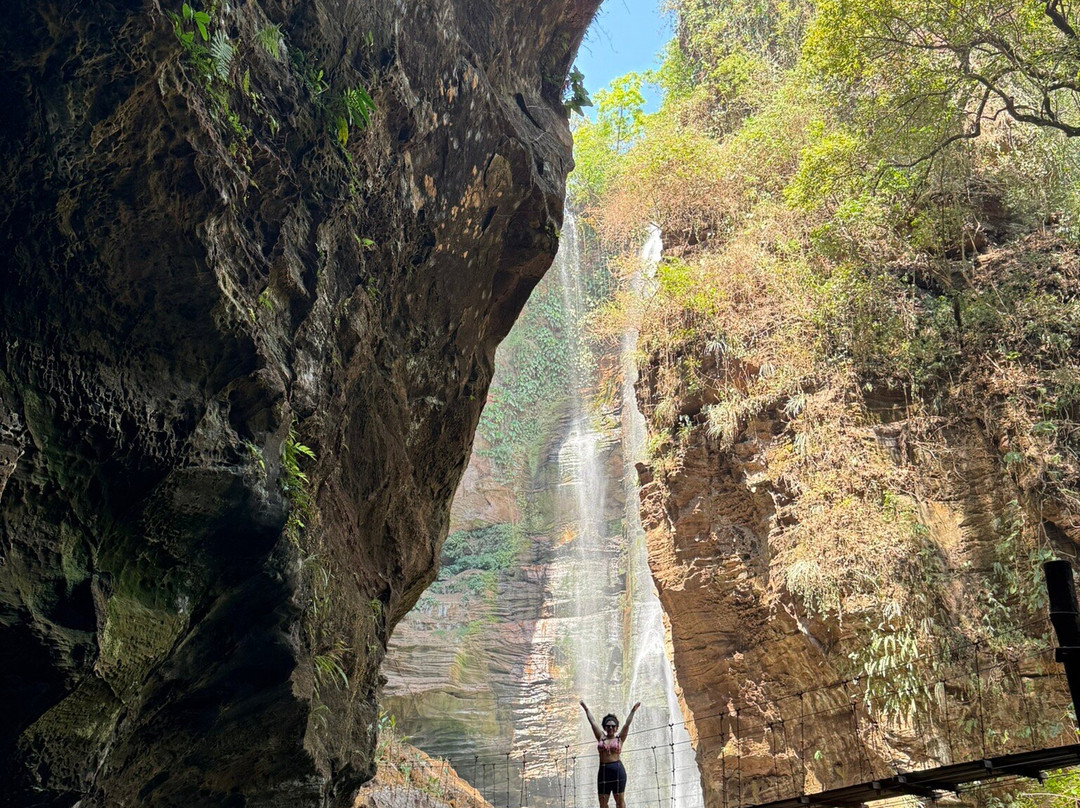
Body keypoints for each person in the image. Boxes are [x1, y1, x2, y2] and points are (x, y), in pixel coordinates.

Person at [580, 699, 641, 808]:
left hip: (618, 771)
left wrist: (633, 711)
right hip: (603, 772)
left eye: (613, 726)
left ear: (616, 727)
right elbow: (592, 722)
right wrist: (586, 709)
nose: (611, 728)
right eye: (608, 726)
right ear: (604, 727)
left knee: (620, 801)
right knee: (603, 803)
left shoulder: (620, 738)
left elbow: (627, 724)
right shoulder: (601, 737)